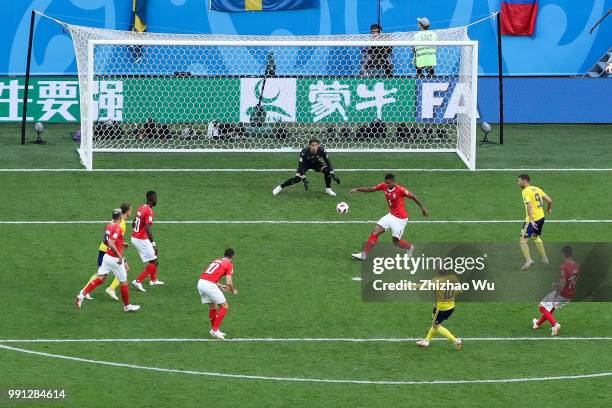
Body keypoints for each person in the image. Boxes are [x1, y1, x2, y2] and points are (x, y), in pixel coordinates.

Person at [349, 173, 429, 260]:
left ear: (393, 182)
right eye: (385, 183)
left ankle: (410, 247)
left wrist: (423, 208)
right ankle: (364, 254)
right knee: (375, 232)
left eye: (388, 183)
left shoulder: (400, 190)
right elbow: (372, 188)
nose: (386, 185)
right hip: (391, 215)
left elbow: (413, 196)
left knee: (395, 242)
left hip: (400, 219)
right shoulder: (384, 185)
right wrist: (357, 189)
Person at [75, 209, 140, 312]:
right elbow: (111, 243)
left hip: (107, 257)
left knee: (101, 278)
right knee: (124, 282)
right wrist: (119, 255)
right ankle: (127, 306)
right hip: (115, 259)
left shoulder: (109, 226)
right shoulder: (118, 228)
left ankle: (82, 294)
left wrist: (121, 243)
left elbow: (106, 241)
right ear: (120, 217)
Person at [79, 203, 132, 301]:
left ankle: (86, 291)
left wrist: (121, 243)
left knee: (102, 274)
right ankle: (108, 289)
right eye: (131, 209)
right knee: (104, 274)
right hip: (109, 250)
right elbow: (114, 240)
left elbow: (109, 237)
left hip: (105, 247)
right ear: (127, 211)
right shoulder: (122, 224)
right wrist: (120, 253)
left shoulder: (113, 222)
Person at [533, 246, 580, 336]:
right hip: (570, 295)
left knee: (541, 306)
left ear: (564, 254)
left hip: (562, 293)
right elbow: (571, 280)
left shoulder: (565, 266)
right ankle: (537, 324)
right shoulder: (576, 266)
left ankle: (555, 325)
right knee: (550, 308)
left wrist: (556, 288)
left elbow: (562, 283)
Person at [272, 138, 340, 197]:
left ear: (318, 145)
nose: (314, 147)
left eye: (316, 145)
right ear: (309, 145)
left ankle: (328, 189)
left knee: (327, 171)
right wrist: (304, 178)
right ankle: (280, 187)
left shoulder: (322, 151)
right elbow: (301, 166)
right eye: (312, 145)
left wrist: (333, 174)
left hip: (316, 164)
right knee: (297, 179)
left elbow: (328, 163)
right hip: (305, 165)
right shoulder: (304, 152)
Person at [416, 269, 463, 350]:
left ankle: (456, 341)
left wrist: (409, 286)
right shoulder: (453, 277)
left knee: (436, 325)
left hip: (441, 309)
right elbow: (460, 291)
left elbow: (423, 285)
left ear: (437, 272)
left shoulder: (436, 281)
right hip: (451, 306)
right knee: (435, 323)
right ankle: (427, 340)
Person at [197, 248, 238, 340]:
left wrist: (219, 285)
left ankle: (214, 330)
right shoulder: (229, 264)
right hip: (209, 285)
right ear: (233, 256)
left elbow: (209, 275)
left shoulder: (217, 260)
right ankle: (215, 330)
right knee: (224, 306)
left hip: (201, 282)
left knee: (213, 307)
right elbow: (229, 282)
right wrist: (233, 290)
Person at [518, 174, 552, 270]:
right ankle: (544, 258)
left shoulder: (525, 191)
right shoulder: (537, 189)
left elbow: (529, 205)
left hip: (532, 220)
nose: (518, 183)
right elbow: (549, 200)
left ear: (525, 181)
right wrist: (549, 209)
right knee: (536, 237)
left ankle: (529, 260)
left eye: (519, 181)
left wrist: (531, 220)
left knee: (522, 241)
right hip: (541, 218)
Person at [131, 191, 163, 291]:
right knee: (155, 261)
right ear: (151, 199)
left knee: (153, 258)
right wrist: (153, 244)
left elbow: (133, 223)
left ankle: (153, 280)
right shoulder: (149, 211)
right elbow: (148, 227)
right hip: (140, 239)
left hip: (136, 236)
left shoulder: (141, 207)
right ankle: (137, 281)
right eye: (155, 198)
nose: (156, 200)